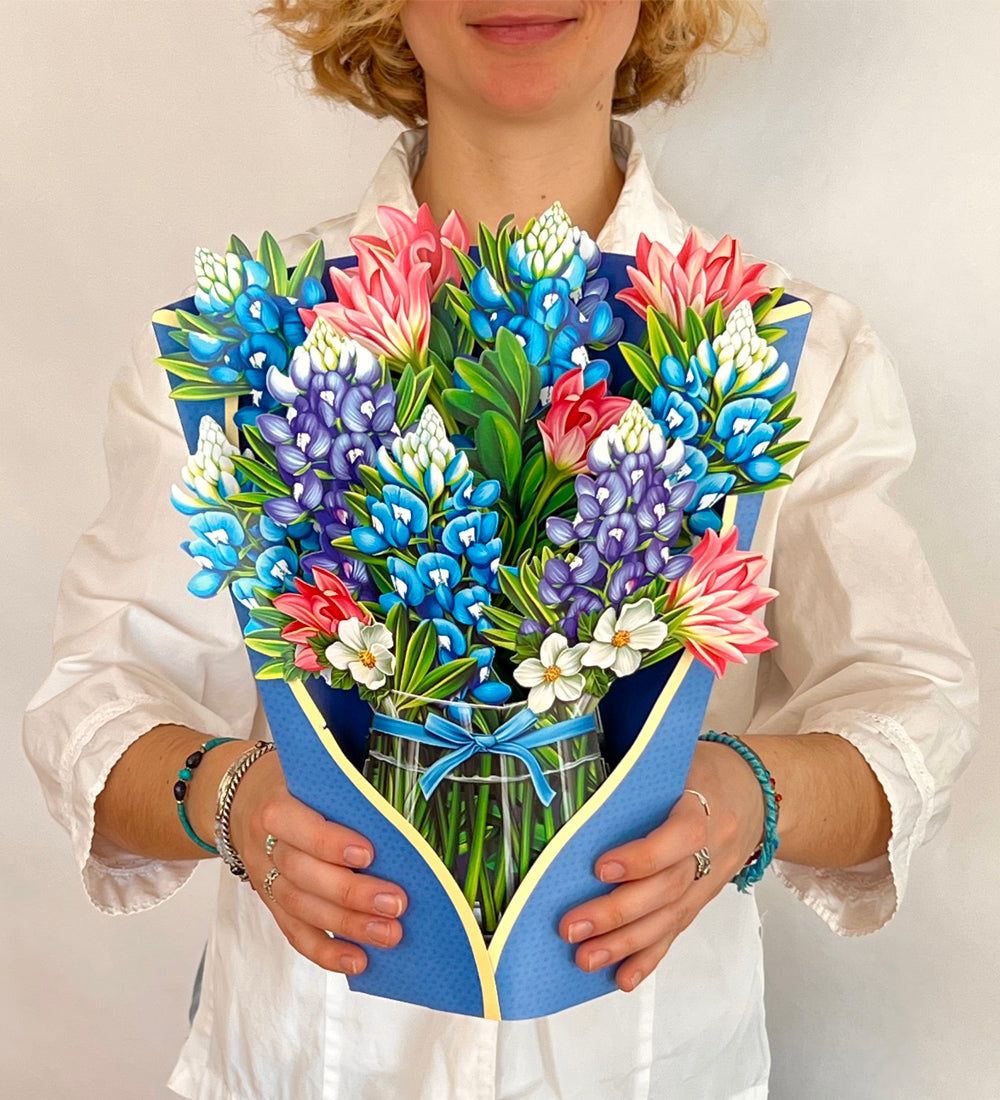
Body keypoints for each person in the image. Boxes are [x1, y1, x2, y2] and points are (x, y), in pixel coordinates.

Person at [23, 2, 978, 1098]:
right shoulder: (243, 346)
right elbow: (93, 699)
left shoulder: (783, 351)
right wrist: (228, 797)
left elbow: (912, 701)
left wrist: (747, 798)